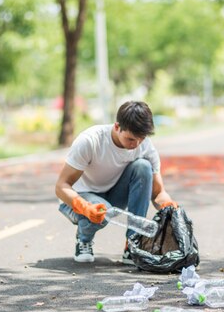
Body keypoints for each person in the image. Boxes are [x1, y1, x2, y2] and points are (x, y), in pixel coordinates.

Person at [55, 101, 178, 264]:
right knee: (103, 210)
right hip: (77, 199)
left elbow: (158, 193)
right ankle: (84, 239)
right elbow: (61, 186)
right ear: (117, 127)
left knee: (143, 166)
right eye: (131, 139)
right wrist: (84, 207)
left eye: (141, 139)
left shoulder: (144, 146)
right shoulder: (90, 141)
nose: (136, 145)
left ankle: (133, 245)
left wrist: (168, 206)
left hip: (112, 195)